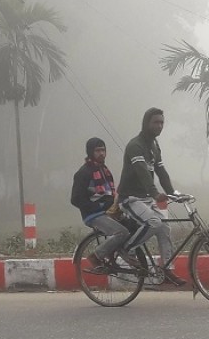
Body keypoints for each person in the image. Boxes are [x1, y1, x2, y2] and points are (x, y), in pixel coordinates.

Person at [117, 107, 186, 286]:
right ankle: (126, 249)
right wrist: (156, 194)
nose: (160, 126)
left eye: (162, 122)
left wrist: (173, 193)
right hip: (130, 198)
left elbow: (161, 172)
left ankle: (167, 271)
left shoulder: (154, 146)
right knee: (154, 222)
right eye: (156, 122)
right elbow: (142, 173)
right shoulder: (135, 146)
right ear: (146, 123)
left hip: (145, 198)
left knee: (164, 228)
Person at [70, 137, 134, 268]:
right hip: (93, 215)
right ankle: (96, 256)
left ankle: (116, 255)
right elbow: (75, 199)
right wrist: (97, 206)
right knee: (121, 232)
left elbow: (109, 194)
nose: (101, 154)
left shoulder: (104, 170)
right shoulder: (83, 173)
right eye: (98, 151)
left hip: (108, 212)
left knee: (134, 226)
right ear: (90, 152)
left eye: (103, 150)